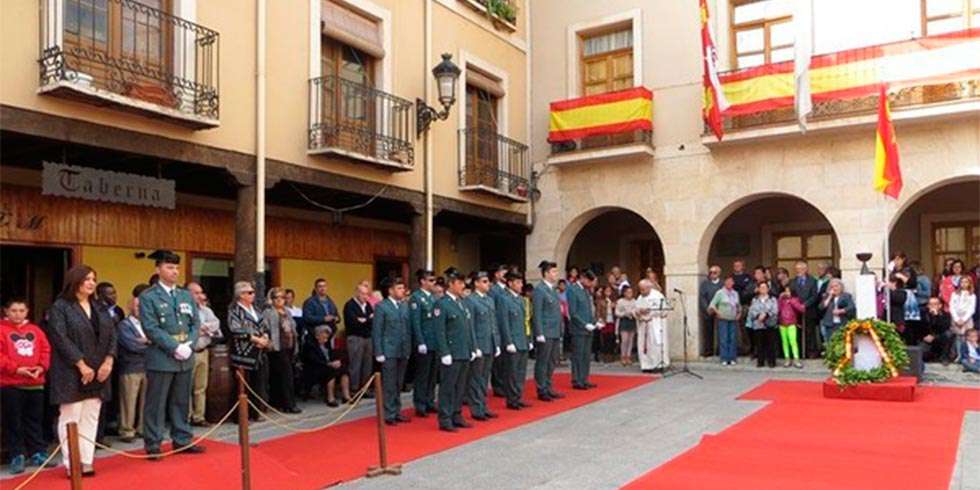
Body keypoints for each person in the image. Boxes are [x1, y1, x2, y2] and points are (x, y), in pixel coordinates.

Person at [47, 265, 117, 475]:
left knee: (91, 416)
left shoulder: (99, 307)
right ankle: (72, 463)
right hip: (71, 371)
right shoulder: (61, 307)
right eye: (86, 279)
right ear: (74, 280)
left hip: (99, 370)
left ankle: (87, 460)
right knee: (71, 417)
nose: (91, 283)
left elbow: (113, 335)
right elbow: (60, 338)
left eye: (93, 279)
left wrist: (108, 361)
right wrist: (81, 364)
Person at [138, 251, 203, 459]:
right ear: (158, 270)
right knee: (156, 403)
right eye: (169, 267)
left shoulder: (185, 295)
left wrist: (190, 345)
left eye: (176, 268)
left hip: (185, 357)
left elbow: (195, 323)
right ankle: (153, 443)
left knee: (181, 401)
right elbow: (151, 327)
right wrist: (175, 347)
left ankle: (182, 439)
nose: (174, 271)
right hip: (162, 357)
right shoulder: (149, 297)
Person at [1, 298, 51, 474]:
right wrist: (17, 369)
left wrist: (41, 367)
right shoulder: (1, 330)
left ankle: (37, 452)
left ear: (27, 311)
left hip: (35, 383)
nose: (18, 314)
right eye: (13, 310)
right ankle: (17, 454)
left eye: (21, 310)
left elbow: (46, 350)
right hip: (10, 384)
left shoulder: (35, 330)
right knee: (14, 421)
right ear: (6, 311)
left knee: (35, 420)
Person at [433, 268, 477, 432]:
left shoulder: (462, 302)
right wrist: (444, 352)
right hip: (451, 352)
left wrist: (472, 348)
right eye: (459, 283)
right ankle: (445, 418)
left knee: (460, 386)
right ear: (451, 284)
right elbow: (440, 331)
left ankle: (456, 414)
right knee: (448, 386)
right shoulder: (442, 304)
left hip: (463, 351)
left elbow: (467, 328)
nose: (462, 286)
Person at [227, 281, 270, 421]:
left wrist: (265, 337)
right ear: (241, 295)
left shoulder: (256, 309)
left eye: (253, 292)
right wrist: (256, 339)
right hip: (243, 353)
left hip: (259, 352)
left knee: (259, 383)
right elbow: (235, 330)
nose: (253, 295)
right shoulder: (234, 311)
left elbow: (264, 325)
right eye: (250, 292)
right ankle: (241, 417)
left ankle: (257, 412)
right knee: (243, 386)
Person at [372, 276, 411, 425]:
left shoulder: (404, 306)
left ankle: (396, 410)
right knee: (389, 383)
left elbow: (407, 329)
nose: (402, 291)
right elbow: (377, 331)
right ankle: (388, 413)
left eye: (402, 288)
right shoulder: (382, 307)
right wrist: (379, 352)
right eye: (399, 288)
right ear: (390, 291)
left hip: (402, 349)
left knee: (398, 383)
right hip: (389, 350)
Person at [464, 271, 500, 421]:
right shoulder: (471, 300)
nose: (488, 284)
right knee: (476, 378)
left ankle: (483, 406)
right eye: (484, 281)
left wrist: (496, 343)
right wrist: (474, 346)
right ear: (476, 283)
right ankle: (476, 408)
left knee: (485, 378)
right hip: (479, 344)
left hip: (489, 343)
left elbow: (494, 324)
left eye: (488, 281)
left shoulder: (490, 300)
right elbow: (470, 325)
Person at [116, 285, 150, 442]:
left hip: (148, 367)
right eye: (137, 306)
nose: (140, 309)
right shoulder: (124, 325)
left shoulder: (148, 325)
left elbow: (157, 342)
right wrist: (150, 343)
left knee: (146, 401)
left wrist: (147, 341)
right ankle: (127, 431)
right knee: (128, 402)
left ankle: (142, 428)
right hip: (130, 368)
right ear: (130, 307)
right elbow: (132, 345)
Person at [186, 282, 221, 427]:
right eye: (196, 293)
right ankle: (186, 417)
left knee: (201, 387)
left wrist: (203, 328)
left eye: (201, 292)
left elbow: (215, 323)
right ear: (188, 294)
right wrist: (199, 330)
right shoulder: (183, 311)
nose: (200, 296)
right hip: (189, 353)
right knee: (186, 387)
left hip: (203, 351)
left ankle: (199, 416)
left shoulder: (205, 310)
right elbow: (186, 329)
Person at [496, 271, 530, 411]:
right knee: (512, 372)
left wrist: (529, 339)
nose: (521, 285)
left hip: (522, 339)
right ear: (509, 283)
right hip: (513, 341)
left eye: (521, 282)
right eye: (517, 282)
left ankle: (518, 396)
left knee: (521, 372)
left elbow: (525, 322)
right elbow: (503, 322)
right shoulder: (504, 299)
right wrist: (508, 341)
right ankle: (512, 399)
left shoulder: (521, 299)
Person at [264, 287, 300, 414]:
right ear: (272, 299)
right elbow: (265, 328)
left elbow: (293, 329)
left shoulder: (287, 312)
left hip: (289, 346)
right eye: (277, 298)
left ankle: (281, 402)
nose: (280, 300)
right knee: (285, 376)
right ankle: (289, 404)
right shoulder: (269, 312)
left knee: (285, 375)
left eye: (282, 298)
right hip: (277, 348)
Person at [532, 261, 564, 402]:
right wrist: (539, 332)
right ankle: (541, 388)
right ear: (546, 273)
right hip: (545, 331)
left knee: (552, 361)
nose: (556, 274)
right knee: (543, 361)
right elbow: (537, 313)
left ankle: (548, 386)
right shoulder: (540, 290)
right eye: (553, 272)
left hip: (555, 331)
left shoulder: (552, 290)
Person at [408, 270, 438, 418]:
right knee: (422, 375)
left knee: (432, 375)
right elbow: (416, 322)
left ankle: (429, 401)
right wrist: (420, 341)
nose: (434, 283)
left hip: (434, 342)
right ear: (423, 282)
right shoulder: (416, 298)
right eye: (431, 280)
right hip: (424, 342)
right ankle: (420, 404)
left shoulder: (433, 298)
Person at [301, 325, 350, 406]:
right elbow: (314, 360)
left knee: (344, 370)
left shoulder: (327, 345)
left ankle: (346, 396)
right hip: (315, 368)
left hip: (327, 366)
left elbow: (331, 356)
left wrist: (336, 362)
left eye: (327, 338)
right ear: (317, 336)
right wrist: (329, 364)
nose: (325, 340)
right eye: (323, 337)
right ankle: (330, 398)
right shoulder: (310, 345)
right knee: (331, 372)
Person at [342, 281, 374, 398]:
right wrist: (367, 319)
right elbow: (353, 323)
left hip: (368, 338)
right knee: (355, 364)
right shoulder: (349, 305)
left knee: (367, 365)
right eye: (362, 294)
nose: (365, 297)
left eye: (367, 294)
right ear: (357, 293)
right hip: (355, 338)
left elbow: (372, 321)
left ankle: (365, 389)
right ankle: (354, 389)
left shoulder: (368, 305)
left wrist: (365, 320)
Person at [567, 270, 598, 388]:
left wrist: (595, 322)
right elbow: (573, 312)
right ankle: (577, 380)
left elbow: (589, 310)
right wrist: (584, 324)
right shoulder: (572, 290)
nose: (590, 284)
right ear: (583, 278)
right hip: (578, 329)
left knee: (586, 355)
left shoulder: (585, 291)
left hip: (588, 328)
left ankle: (584, 378)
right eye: (589, 281)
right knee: (578, 355)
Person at [634, 278, 669, 373]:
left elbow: (664, 310)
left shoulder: (658, 296)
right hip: (643, 325)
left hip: (654, 324)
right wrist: (639, 311)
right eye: (640, 289)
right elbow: (635, 309)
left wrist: (650, 311)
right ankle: (646, 365)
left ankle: (659, 364)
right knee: (644, 346)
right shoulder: (640, 297)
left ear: (649, 287)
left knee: (655, 345)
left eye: (643, 289)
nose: (641, 291)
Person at [488, 264, 511, 398]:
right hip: (498, 328)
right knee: (499, 361)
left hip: (506, 328)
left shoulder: (507, 290)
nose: (505, 275)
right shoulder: (494, 290)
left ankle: (504, 383)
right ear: (497, 274)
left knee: (505, 361)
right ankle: (498, 385)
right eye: (503, 272)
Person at [789, 261, 820, 358]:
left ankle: (811, 352)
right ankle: (800, 352)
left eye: (801, 269)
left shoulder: (813, 281)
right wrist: (797, 305)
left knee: (810, 332)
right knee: (798, 332)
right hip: (796, 311)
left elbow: (814, 296)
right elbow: (792, 295)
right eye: (797, 269)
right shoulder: (793, 281)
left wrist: (805, 305)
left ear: (806, 269)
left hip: (809, 310)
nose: (799, 271)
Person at [709, 276, 741, 366]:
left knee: (732, 338)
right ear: (725, 283)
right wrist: (717, 312)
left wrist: (739, 313)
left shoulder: (735, 293)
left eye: (731, 282)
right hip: (723, 319)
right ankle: (724, 358)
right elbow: (712, 304)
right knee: (724, 338)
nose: (729, 283)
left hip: (733, 318)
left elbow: (738, 305)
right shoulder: (720, 293)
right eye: (727, 282)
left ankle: (732, 358)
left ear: (733, 283)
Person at [748, 282, 779, 368]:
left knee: (770, 343)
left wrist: (766, 314)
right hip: (758, 324)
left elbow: (775, 310)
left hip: (769, 323)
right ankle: (760, 361)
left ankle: (771, 361)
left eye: (765, 287)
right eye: (761, 287)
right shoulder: (755, 299)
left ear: (768, 289)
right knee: (759, 343)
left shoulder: (773, 299)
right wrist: (758, 315)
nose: (763, 289)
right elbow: (752, 311)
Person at [819, 279, 856, 348]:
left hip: (842, 323)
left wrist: (841, 311)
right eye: (832, 287)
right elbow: (821, 307)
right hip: (830, 324)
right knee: (830, 343)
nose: (834, 288)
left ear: (841, 287)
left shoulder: (846, 296)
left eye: (836, 286)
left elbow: (852, 307)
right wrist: (829, 296)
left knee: (842, 343)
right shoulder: (827, 297)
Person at [777, 285, 805, 368]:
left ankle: (796, 359)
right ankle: (787, 358)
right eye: (785, 291)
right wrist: (779, 299)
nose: (787, 293)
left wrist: (792, 301)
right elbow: (777, 309)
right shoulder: (782, 300)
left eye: (788, 291)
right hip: (782, 323)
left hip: (791, 323)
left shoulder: (795, 300)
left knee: (793, 342)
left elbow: (801, 309)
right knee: (784, 342)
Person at [698, 265, 723, 357]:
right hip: (708, 311)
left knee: (720, 332)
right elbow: (702, 297)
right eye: (711, 272)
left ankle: (720, 350)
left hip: (720, 311)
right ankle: (708, 350)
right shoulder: (705, 284)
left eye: (715, 272)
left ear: (719, 273)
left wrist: (719, 309)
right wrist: (708, 308)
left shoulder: (722, 284)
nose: (712, 274)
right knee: (708, 332)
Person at [950, 276, 976, 360]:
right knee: (958, 337)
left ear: (969, 284)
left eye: (966, 282)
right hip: (956, 318)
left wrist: (964, 319)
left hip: (967, 319)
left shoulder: (972, 295)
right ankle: (958, 355)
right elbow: (952, 307)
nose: (964, 284)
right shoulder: (954, 294)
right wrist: (957, 319)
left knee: (967, 337)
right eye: (962, 282)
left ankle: (967, 355)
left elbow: (971, 309)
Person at [920, 297, 952, 363]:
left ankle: (944, 357)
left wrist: (936, 316)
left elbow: (944, 327)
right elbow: (919, 327)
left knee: (949, 334)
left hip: (939, 337)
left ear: (940, 305)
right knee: (923, 356)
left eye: (935, 304)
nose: (932, 306)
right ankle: (932, 356)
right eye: (930, 304)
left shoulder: (946, 315)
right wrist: (924, 336)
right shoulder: (923, 314)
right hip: (927, 338)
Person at [615, 285, 637, 366]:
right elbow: (617, 312)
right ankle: (623, 356)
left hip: (632, 321)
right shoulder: (620, 301)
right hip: (624, 321)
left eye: (631, 292)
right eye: (628, 292)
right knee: (624, 340)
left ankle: (628, 356)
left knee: (631, 340)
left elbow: (636, 310)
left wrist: (633, 313)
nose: (630, 294)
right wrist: (624, 313)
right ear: (624, 293)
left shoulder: (634, 301)